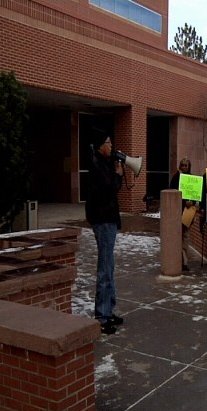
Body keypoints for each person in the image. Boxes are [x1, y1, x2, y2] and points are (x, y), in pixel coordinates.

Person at [85, 128, 124, 335]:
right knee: (105, 267)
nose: (111, 146)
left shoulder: (103, 163)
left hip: (108, 219)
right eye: (108, 143)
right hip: (103, 220)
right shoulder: (96, 164)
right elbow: (109, 189)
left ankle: (109, 310)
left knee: (109, 267)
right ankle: (101, 315)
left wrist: (116, 168)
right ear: (101, 145)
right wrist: (118, 175)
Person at [170, 157, 196, 272]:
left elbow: (195, 196)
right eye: (183, 165)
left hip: (188, 214)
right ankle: (176, 261)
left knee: (186, 238)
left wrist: (192, 202)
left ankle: (184, 262)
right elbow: (172, 194)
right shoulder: (176, 178)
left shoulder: (192, 179)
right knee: (177, 238)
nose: (185, 167)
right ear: (180, 166)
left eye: (187, 165)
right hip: (178, 213)